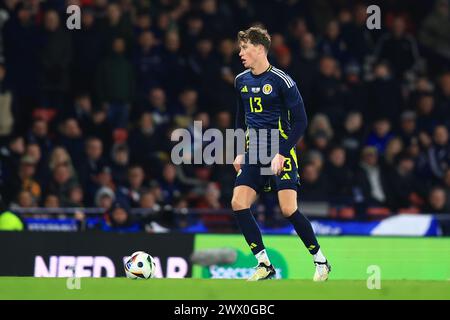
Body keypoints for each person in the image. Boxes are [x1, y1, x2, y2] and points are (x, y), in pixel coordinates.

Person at [231, 27, 330, 281]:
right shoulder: (241, 80)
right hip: (254, 150)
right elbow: (241, 119)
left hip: (278, 148)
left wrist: (282, 152)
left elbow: (301, 121)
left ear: (260, 49)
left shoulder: (282, 81)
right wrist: (239, 151)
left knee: (288, 209)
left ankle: (320, 260)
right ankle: (264, 263)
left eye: (245, 48)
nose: (240, 52)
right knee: (238, 203)